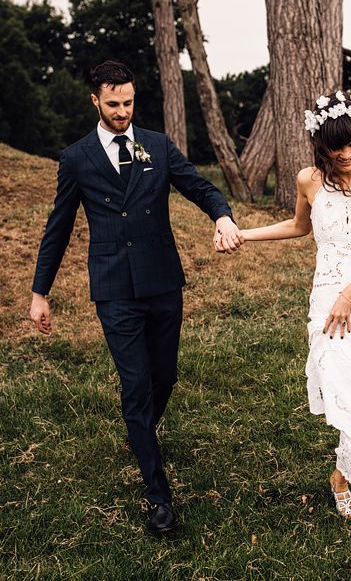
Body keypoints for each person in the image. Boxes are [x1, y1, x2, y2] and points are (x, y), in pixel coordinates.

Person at [29, 60, 244, 534]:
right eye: (113, 104)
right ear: (95, 101)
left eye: (128, 102)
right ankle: (158, 496)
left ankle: (140, 429)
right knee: (137, 385)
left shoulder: (159, 146)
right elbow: (58, 228)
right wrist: (39, 292)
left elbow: (200, 187)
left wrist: (222, 216)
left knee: (163, 376)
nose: (122, 111)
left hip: (164, 282)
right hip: (114, 290)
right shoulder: (77, 158)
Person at [236, 91, 351, 580]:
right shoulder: (308, 180)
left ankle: (340, 476)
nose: (346, 155)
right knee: (350, 403)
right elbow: (297, 227)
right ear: (321, 146)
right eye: (336, 148)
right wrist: (245, 235)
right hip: (328, 310)